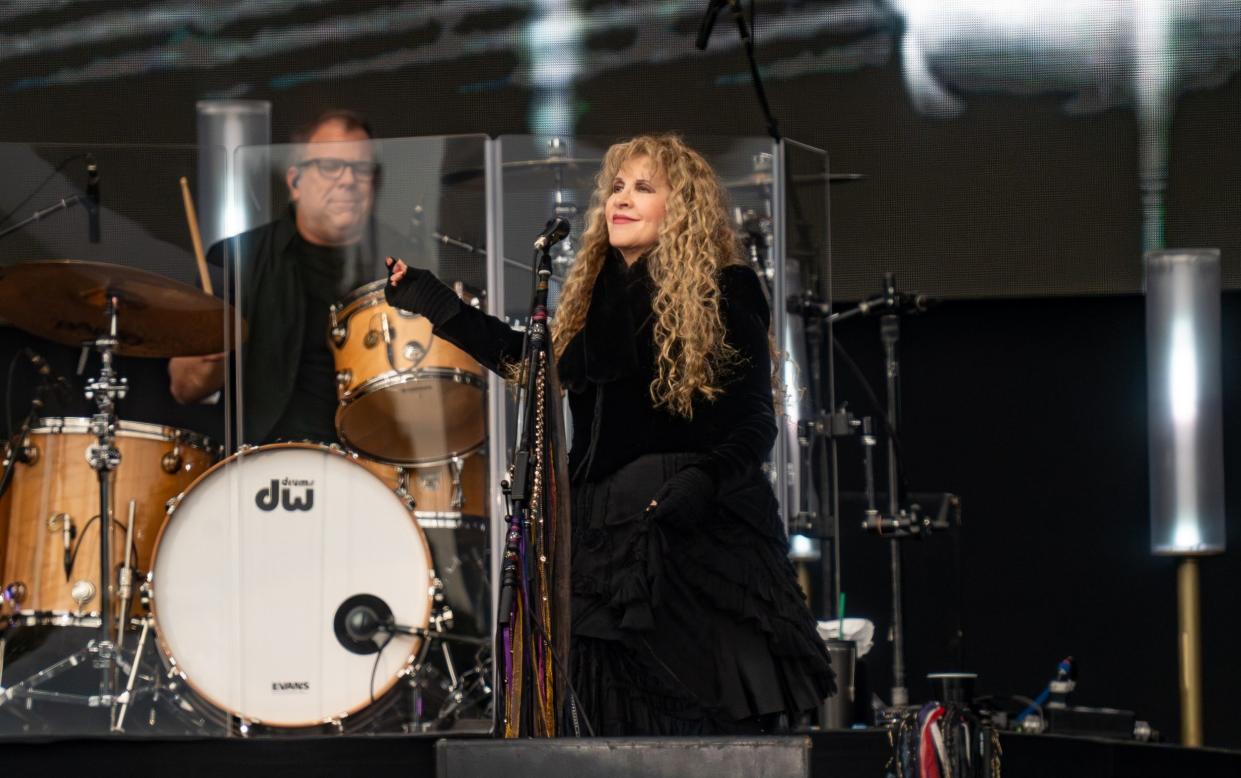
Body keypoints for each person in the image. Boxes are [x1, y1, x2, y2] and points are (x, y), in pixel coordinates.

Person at [384, 133, 834, 735]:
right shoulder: (594, 302)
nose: (622, 199)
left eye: (644, 188)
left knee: (691, 716)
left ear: (682, 209)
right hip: (598, 526)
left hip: (686, 531)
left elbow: (756, 420)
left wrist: (703, 480)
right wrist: (437, 303)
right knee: (606, 716)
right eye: (617, 186)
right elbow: (532, 367)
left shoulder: (726, 290)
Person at [169, 110, 399, 444]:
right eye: (331, 166)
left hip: (374, 468)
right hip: (257, 468)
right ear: (294, 182)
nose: (348, 180)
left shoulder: (402, 265)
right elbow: (183, 387)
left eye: (362, 169)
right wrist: (206, 362)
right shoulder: (237, 259)